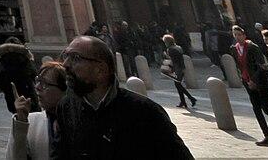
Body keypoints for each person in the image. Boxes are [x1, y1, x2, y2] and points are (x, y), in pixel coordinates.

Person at [52, 35, 193, 159]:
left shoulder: (145, 112)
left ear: (101, 70)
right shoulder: (66, 107)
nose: (65, 64)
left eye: (75, 58)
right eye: (65, 56)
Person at [231, 25, 268, 145]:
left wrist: (253, 80)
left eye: (239, 34)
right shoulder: (234, 49)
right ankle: (267, 136)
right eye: (235, 35)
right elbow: (239, 65)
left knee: (266, 108)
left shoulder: (252, 47)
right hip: (247, 81)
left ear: (244, 35)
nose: (237, 37)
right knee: (256, 109)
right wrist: (244, 79)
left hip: (260, 81)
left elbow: (261, 66)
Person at [6, 60, 64, 160]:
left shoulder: (78, 120)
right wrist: (21, 123)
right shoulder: (32, 122)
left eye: (45, 84)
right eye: (38, 81)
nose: (37, 87)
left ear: (64, 91)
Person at [0, 39, 35, 113]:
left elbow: (0, 75)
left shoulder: (3, 59)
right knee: (32, 111)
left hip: (10, 91)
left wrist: (2, 88)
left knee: (16, 111)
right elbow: (33, 72)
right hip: (26, 89)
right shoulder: (24, 57)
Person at [159, 32, 197, 110]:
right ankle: (184, 101)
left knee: (178, 85)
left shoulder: (170, 50)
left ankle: (190, 98)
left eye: (165, 42)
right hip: (181, 68)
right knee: (178, 85)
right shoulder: (178, 47)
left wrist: (166, 56)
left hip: (176, 69)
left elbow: (173, 61)